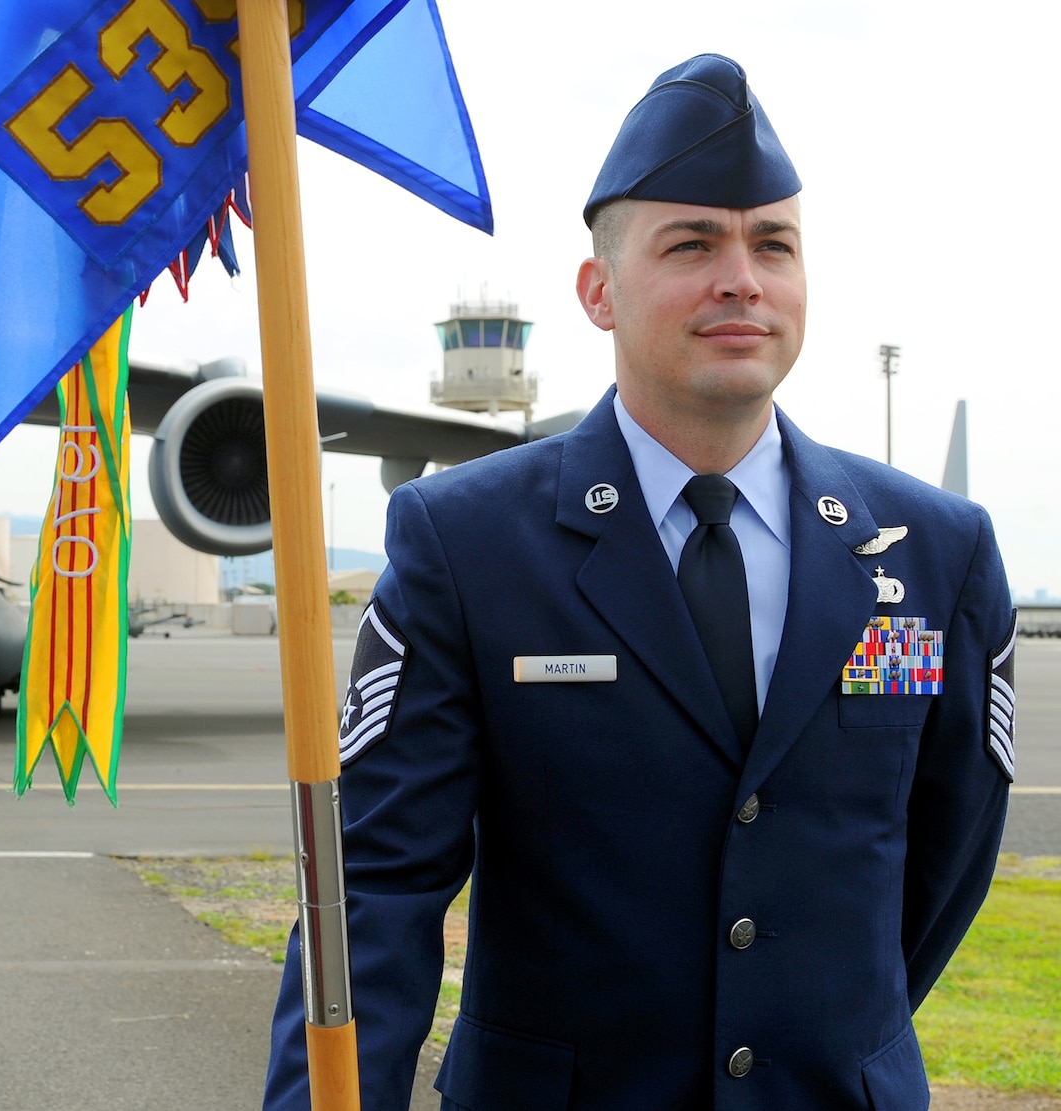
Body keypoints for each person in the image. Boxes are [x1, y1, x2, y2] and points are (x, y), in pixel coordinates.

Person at [263, 54, 1015, 1110]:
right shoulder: (465, 546)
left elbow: (942, 866)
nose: (740, 277)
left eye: (772, 245)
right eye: (691, 243)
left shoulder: (933, 550)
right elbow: (375, 891)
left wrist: (832, 1031)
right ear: (596, 291)